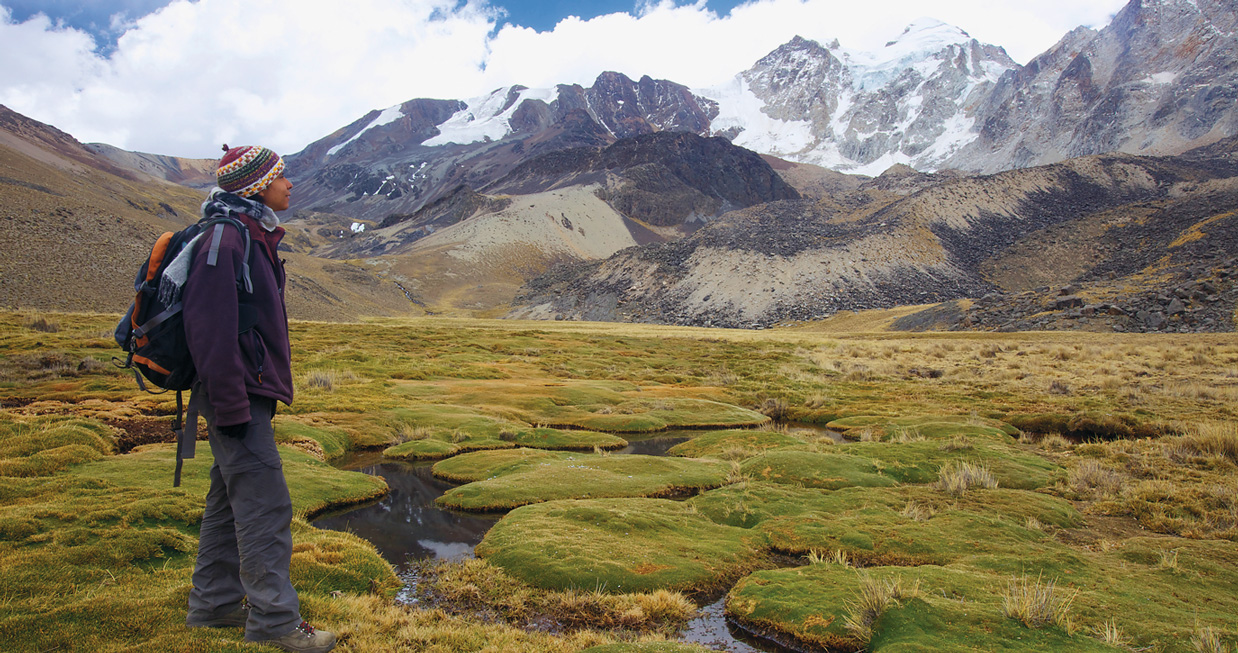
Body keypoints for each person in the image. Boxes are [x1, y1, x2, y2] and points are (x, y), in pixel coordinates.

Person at [182, 145, 336, 653]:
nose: (289, 184)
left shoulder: (248, 235)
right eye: (280, 176)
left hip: (245, 394)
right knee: (266, 508)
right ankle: (273, 622)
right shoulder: (227, 239)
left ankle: (213, 606)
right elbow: (209, 328)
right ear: (255, 186)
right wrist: (230, 406)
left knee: (229, 505)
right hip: (238, 398)